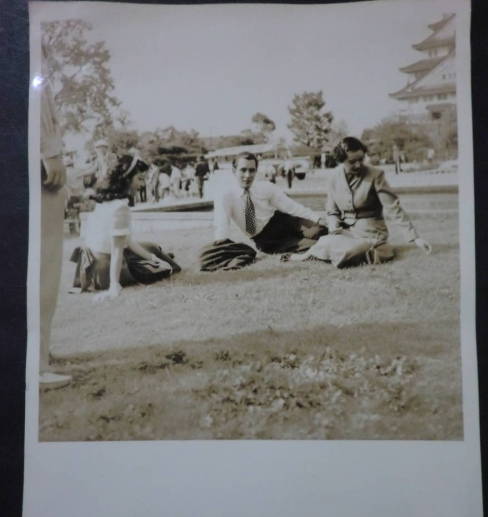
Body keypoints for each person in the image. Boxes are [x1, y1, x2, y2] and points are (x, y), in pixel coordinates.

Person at [286, 137, 431, 267]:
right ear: (341, 160)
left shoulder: (376, 175)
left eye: (361, 159)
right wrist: (333, 227)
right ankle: (312, 255)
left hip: (372, 234)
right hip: (346, 232)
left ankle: (323, 255)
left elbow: (393, 207)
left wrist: (415, 238)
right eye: (352, 162)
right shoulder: (333, 178)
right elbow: (332, 210)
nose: (358, 165)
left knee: (351, 250)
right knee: (326, 240)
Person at [71, 154, 181, 299]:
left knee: (153, 248)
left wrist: (153, 257)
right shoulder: (120, 207)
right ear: (126, 179)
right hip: (104, 271)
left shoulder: (103, 200)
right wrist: (114, 286)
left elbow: (126, 241)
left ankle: (159, 257)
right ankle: (161, 262)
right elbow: (117, 250)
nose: (142, 185)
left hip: (90, 269)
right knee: (166, 269)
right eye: (139, 179)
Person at [199, 152, 327, 271]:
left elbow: (291, 207)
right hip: (267, 239)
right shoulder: (225, 195)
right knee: (314, 245)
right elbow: (222, 223)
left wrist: (317, 218)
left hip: (284, 221)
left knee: (321, 230)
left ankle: (340, 235)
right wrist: (221, 247)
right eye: (243, 170)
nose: (247, 175)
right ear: (234, 171)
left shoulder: (265, 187)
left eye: (251, 170)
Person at [39, 47, 71, 387]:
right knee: (43, 262)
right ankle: (35, 361)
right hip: (32, 162)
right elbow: (34, 96)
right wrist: (50, 151)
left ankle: (38, 351)